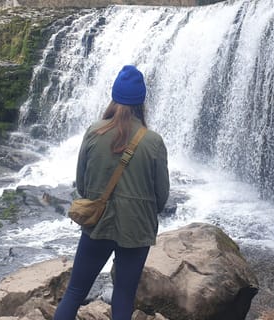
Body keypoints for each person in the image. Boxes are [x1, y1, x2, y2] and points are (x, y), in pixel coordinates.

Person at [54, 65, 170, 320]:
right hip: (137, 229)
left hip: (98, 223)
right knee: (124, 296)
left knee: (74, 291)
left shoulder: (94, 132)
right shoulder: (153, 142)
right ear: (141, 102)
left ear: (114, 98)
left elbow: (81, 185)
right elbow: (161, 197)